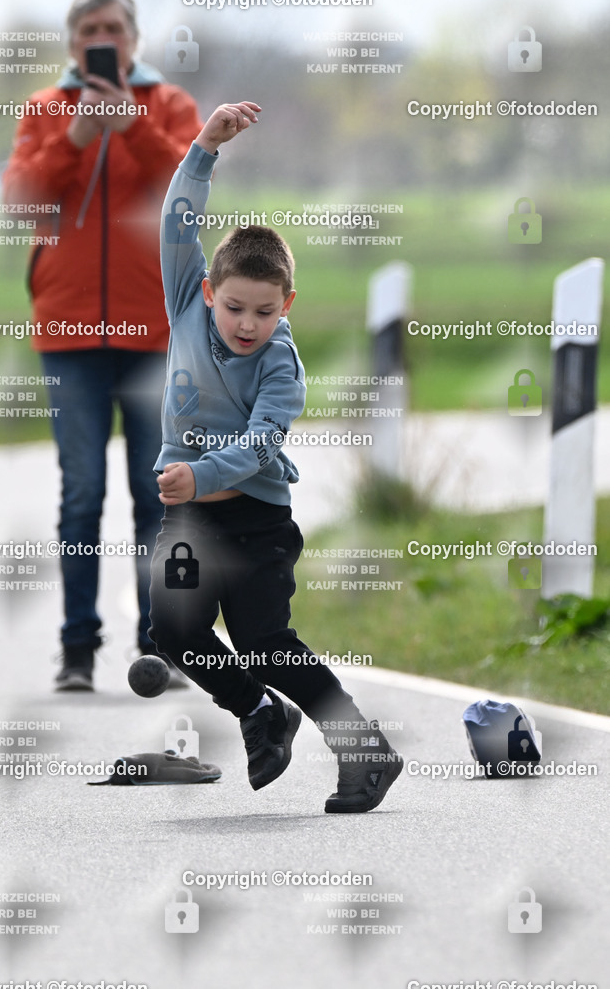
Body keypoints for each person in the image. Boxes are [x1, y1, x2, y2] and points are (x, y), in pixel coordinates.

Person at [147, 102, 403, 812]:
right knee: (174, 632)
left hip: (255, 524)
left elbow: (261, 443)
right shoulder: (186, 306)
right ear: (208, 292)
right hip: (189, 520)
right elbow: (176, 223)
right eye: (234, 307)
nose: (247, 324)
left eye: (264, 311)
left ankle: (364, 749)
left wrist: (199, 473)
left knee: (264, 642)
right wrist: (204, 147)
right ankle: (260, 711)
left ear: (286, 304)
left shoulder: (280, 367)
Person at [2, 0, 202, 691]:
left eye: (114, 26)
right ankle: (78, 650)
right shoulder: (45, 109)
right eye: (90, 28)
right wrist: (77, 135)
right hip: (69, 331)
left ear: (134, 38)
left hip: (155, 331)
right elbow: (19, 200)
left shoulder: (168, 104)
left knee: (159, 493)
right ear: (72, 42)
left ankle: (161, 645)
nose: (103, 38)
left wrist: (131, 126)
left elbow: (188, 186)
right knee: (82, 492)